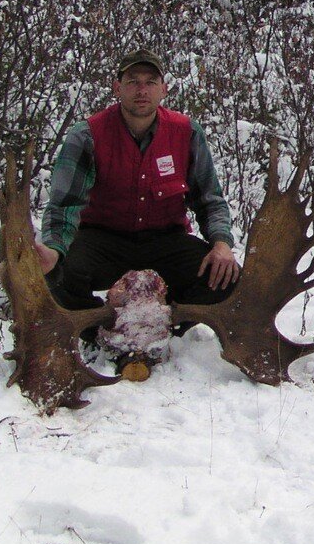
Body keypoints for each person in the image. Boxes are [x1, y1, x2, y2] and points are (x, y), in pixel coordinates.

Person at [35, 50, 241, 333]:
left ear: (164, 89)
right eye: (132, 81)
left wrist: (221, 244)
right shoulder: (87, 135)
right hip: (102, 242)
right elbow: (64, 205)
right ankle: (99, 330)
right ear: (117, 87)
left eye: (150, 82)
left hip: (165, 242)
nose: (142, 90)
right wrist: (55, 250)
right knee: (56, 274)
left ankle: (167, 326)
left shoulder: (187, 132)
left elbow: (209, 200)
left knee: (225, 276)